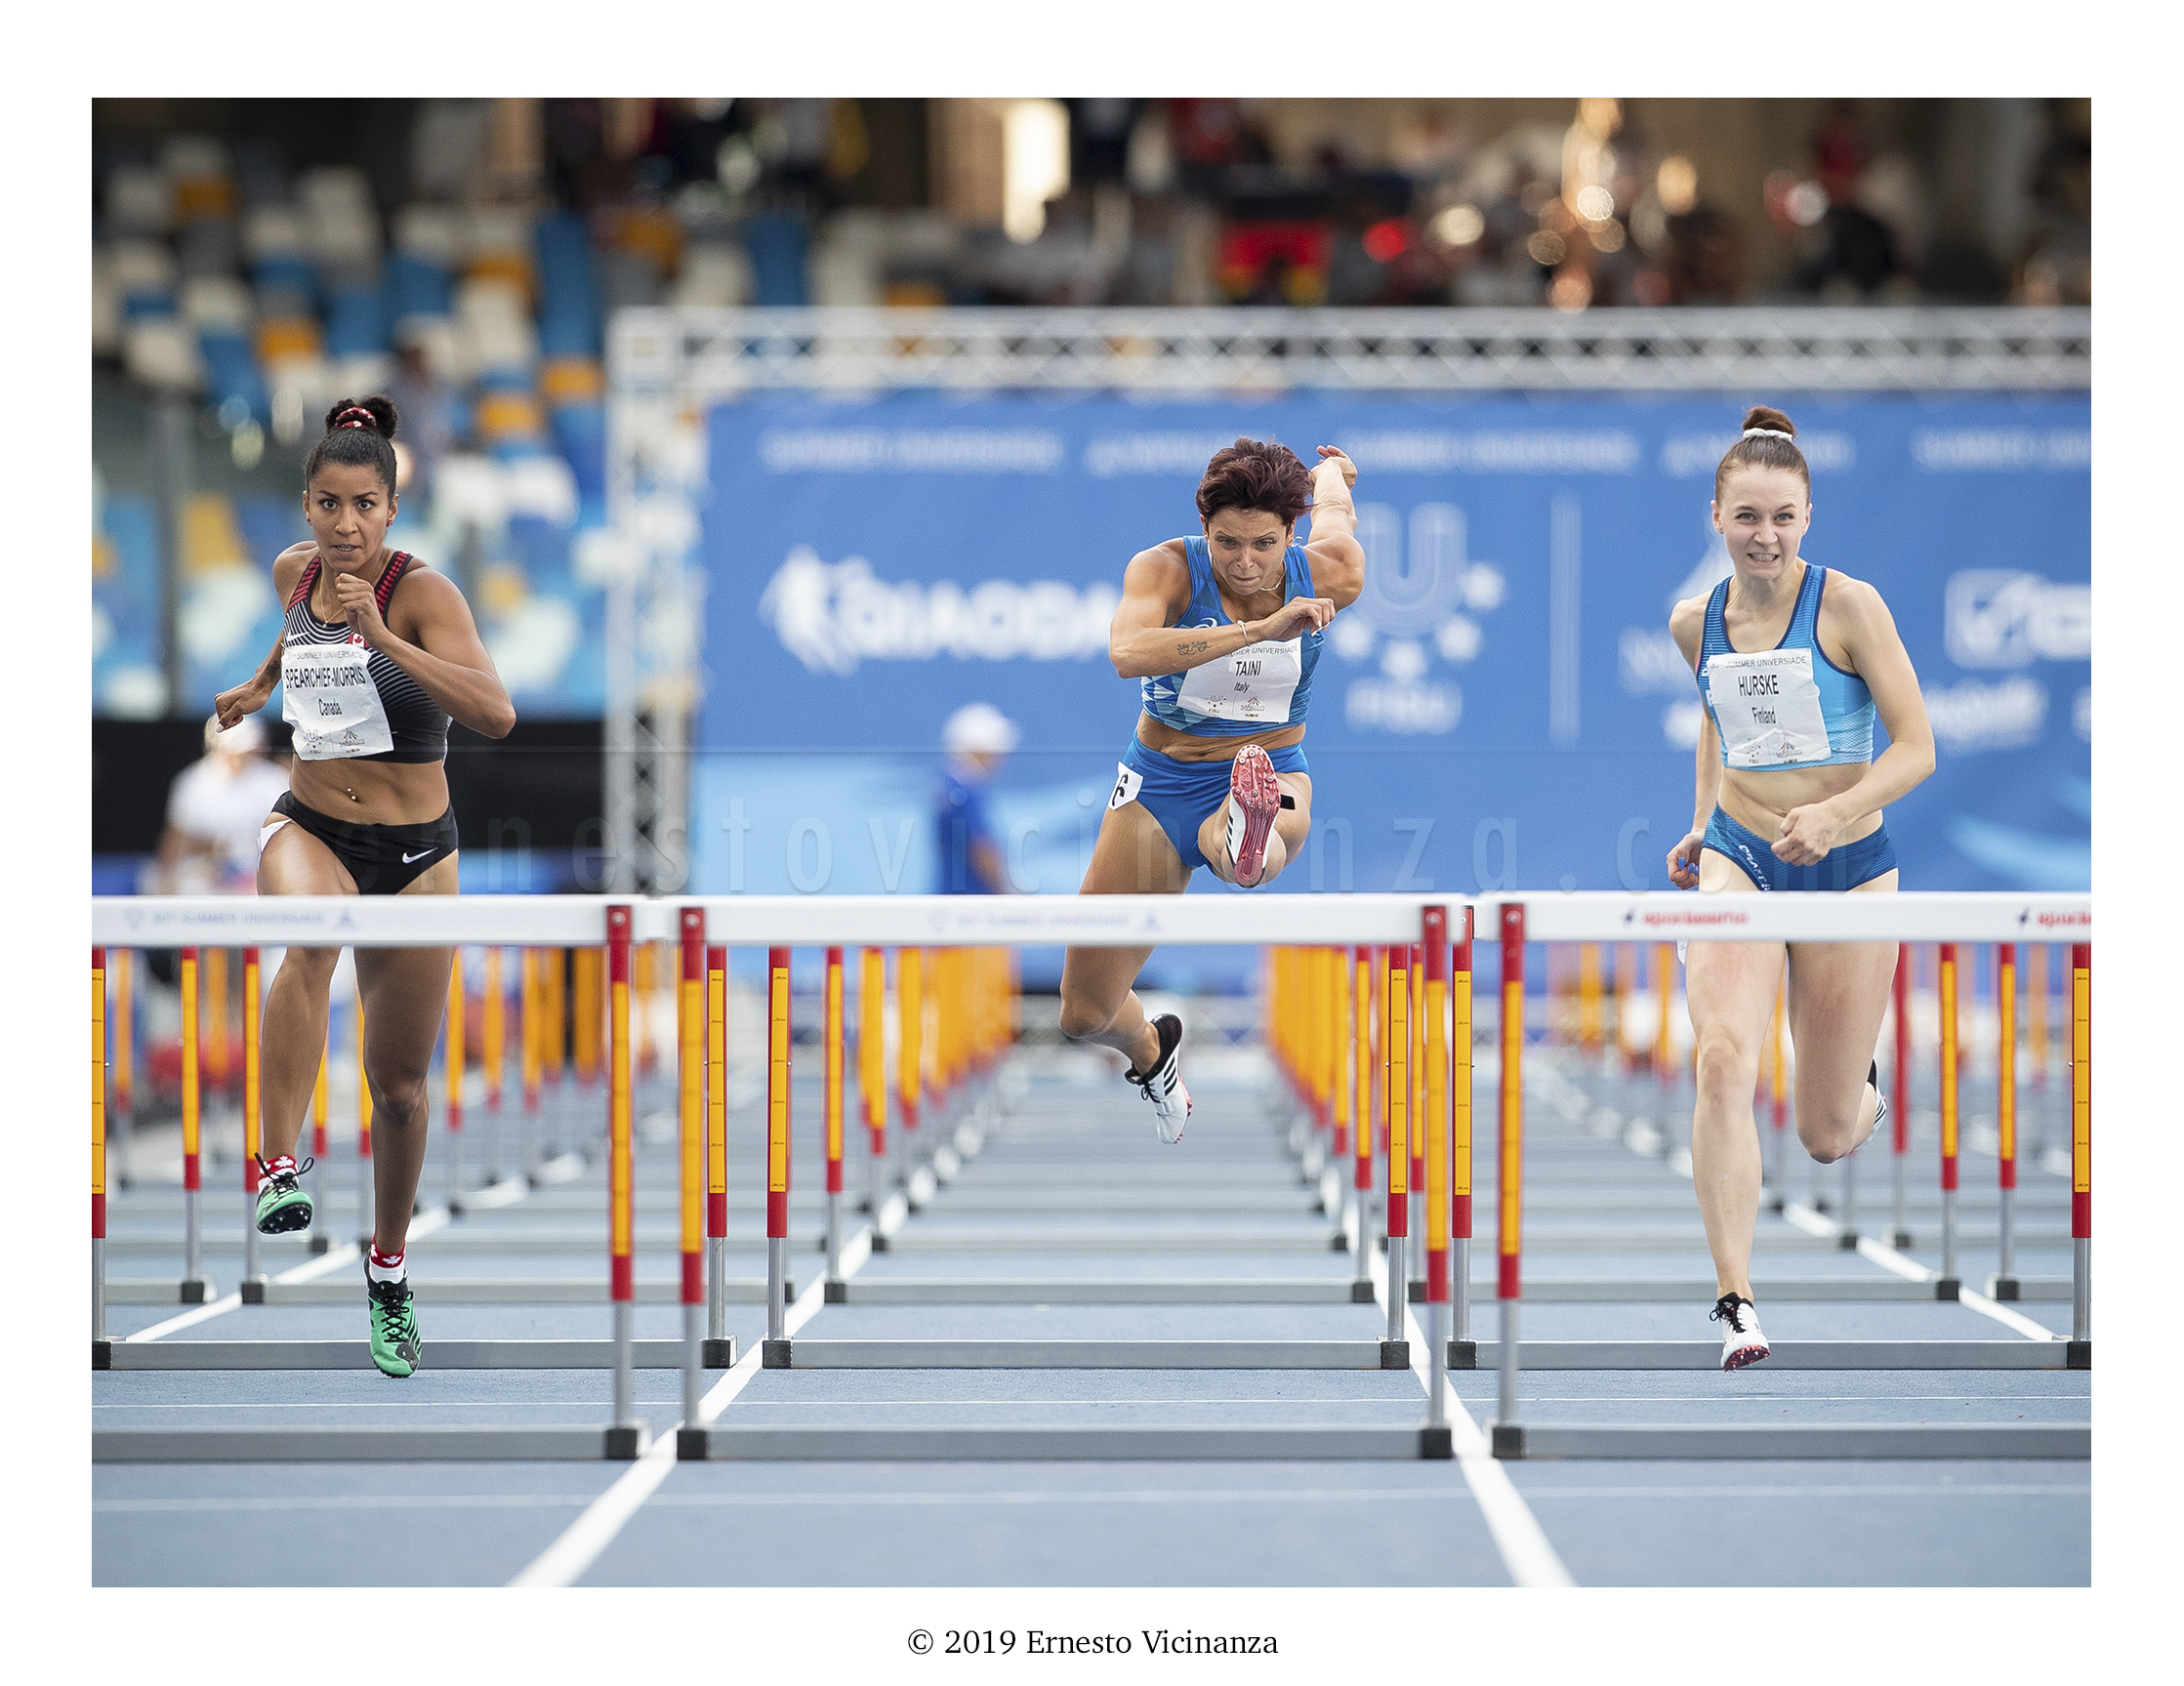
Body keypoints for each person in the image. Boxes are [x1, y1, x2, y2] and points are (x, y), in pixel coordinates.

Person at [214, 395, 515, 1378]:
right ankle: (277, 1163)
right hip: (313, 821)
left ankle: (387, 1271)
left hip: (418, 848)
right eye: (328, 502)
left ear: (391, 511)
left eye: (365, 505)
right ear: (306, 505)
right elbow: (299, 640)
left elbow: (497, 712)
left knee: (400, 1088)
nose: (344, 523)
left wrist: (383, 635)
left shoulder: (427, 593)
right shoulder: (292, 573)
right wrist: (261, 683)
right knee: (308, 939)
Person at [1665, 405, 1936, 1370]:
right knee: (1720, 1058)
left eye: (1781, 517)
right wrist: (1702, 820)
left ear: (1807, 516)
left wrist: (1833, 811)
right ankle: (1733, 1298)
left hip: (1849, 865)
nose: (1764, 536)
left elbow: (1916, 746)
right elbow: (1713, 719)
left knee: (1823, 1131)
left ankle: (1855, 1083)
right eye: (1746, 517)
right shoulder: (1691, 623)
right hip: (1741, 852)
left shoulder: (1848, 607)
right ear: (1715, 516)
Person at [1057, 437, 1364, 1141]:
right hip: (1160, 783)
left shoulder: (1330, 570)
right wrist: (1256, 629)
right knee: (1081, 1012)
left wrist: (1329, 476)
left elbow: (1338, 512)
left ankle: (1244, 838)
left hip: (1272, 767)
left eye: (1263, 544)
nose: (1246, 562)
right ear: (1204, 529)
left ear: (1292, 533)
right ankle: (1152, 1051)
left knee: (1252, 840)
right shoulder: (1164, 569)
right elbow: (1127, 652)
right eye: (1227, 543)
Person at [154, 714, 292, 894]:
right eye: (236, 750)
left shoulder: (274, 780)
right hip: (205, 877)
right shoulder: (194, 782)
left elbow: (288, 835)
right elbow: (177, 839)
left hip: (256, 876)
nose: (244, 757)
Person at [934, 702, 1017, 894]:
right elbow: (981, 850)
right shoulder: (964, 790)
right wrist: (1007, 895)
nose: (1000, 756)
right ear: (979, 748)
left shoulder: (949, 785)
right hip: (970, 903)